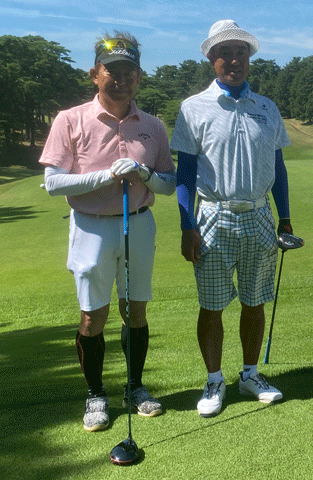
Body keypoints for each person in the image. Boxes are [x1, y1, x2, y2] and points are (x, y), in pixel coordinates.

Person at [39, 31, 176, 431]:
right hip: (91, 227)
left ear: (139, 77)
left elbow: (168, 185)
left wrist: (144, 173)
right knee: (92, 316)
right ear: (95, 74)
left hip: (139, 223)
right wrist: (104, 177)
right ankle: (95, 393)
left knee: (135, 310)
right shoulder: (70, 119)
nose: (121, 79)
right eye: (112, 71)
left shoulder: (152, 125)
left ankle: (134, 387)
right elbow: (53, 183)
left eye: (129, 72)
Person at [170, 20, 293, 417]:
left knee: (255, 302)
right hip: (212, 216)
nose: (235, 60)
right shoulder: (193, 108)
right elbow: (185, 173)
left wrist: (285, 218)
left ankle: (250, 375)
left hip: (260, 215)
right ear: (212, 59)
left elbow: (278, 167)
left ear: (249, 59)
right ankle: (214, 380)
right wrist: (187, 226)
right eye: (225, 53)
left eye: (241, 52)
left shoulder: (266, 107)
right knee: (212, 305)